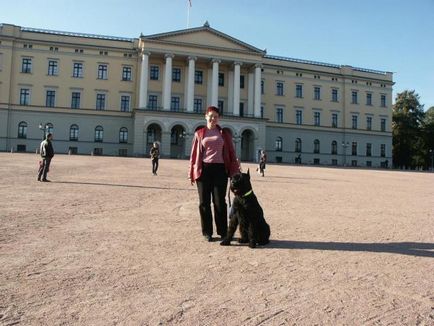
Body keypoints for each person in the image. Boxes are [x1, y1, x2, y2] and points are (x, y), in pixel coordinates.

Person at [189, 106, 240, 242]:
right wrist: (191, 173)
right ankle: (207, 232)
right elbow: (194, 156)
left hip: (220, 170)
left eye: (216, 116)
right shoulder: (199, 133)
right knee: (204, 203)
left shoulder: (224, 134)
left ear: (219, 118)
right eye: (210, 116)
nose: (213, 118)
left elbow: (231, 153)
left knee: (219, 202)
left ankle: (223, 232)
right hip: (204, 170)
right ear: (206, 116)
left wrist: (234, 172)